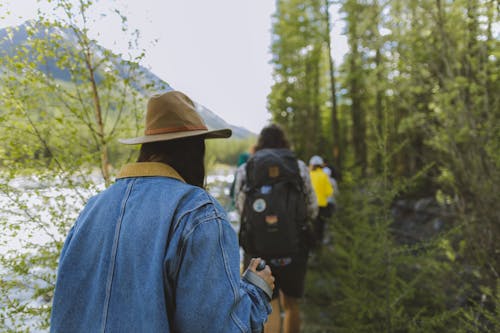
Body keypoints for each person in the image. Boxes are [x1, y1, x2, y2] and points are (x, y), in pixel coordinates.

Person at [50, 91, 274, 332]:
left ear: (146, 148)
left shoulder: (93, 208)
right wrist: (257, 291)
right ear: (195, 151)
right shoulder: (199, 213)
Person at [234, 124, 318, 333]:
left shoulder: (247, 168)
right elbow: (312, 208)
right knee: (291, 305)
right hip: (293, 248)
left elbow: (240, 206)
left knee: (265, 306)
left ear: (259, 144)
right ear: (284, 142)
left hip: (258, 251)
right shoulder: (298, 167)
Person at [308, 155, 334, 248]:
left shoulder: (309, 175)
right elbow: (329, 192)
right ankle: (319, 247)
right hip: (322, 206)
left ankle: (312, 248)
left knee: (311, 228)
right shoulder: (324, 175)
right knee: (320, 228)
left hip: (310, 207)